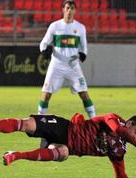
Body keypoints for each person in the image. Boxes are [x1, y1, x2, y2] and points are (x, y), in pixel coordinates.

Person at [0, 112, 136, 178]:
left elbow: (120, 175)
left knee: (62, 153)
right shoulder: (113, 118)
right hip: (64, 129)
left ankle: (15, 155)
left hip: (68, 146)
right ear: (130, 124)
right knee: (26, 124)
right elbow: (118, 130)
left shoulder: (119, 150)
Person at [38, 0, 96, 148]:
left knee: (84, 94)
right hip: (56, 65)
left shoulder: (80, 28)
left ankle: (96, 124)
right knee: (46, 94)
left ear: (75, 11)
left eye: (72, 8)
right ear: (63, 10)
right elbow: (44, 42)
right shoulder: (55, 26)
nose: (70, 11)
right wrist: (44, 51)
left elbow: (84, 47)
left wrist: (83, 54)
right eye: (67, 8)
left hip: (72, 65)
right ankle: (39, 126)